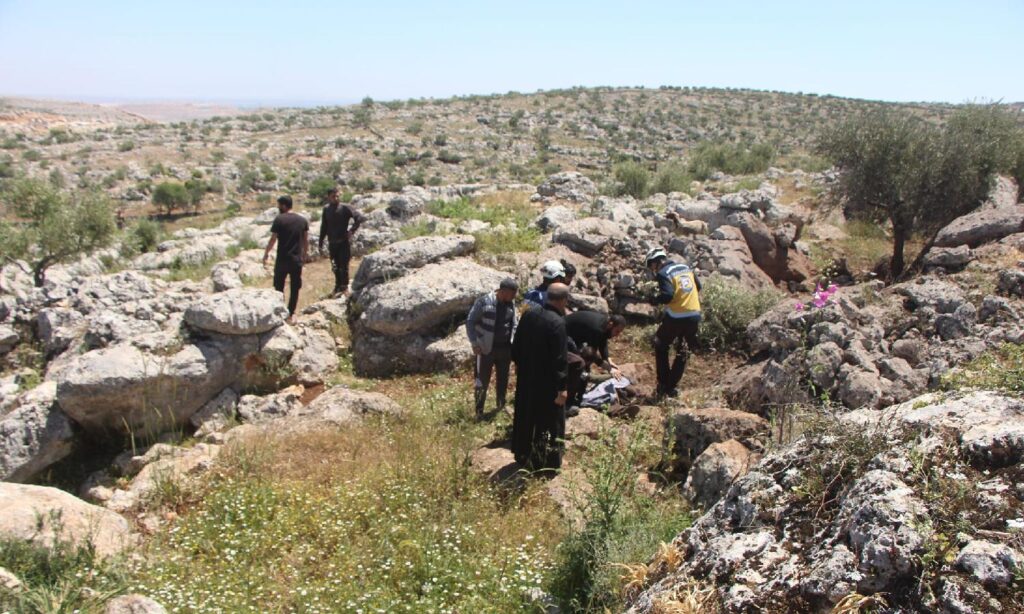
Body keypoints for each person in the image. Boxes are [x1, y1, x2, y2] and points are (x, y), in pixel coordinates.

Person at [511, 282, 570, 473]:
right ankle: (547, 463)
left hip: (527, 377)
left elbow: (516, 345)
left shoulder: (529, 314)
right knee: (550, 421)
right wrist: (562, 388)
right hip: (548, 382)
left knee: (525, 415)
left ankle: (522, 454)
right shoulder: (557, 323)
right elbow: (560, 359)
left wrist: (521, 366)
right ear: (563, 300)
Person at [644, 247, 702, 398]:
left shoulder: (664, 274)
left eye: (651, 266)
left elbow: (668, 296)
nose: (652, 270)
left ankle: (663, 384)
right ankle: (672, 387)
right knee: (683, 351)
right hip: (694, 315)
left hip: (676, 317)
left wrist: (655, 299)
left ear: (656, 262)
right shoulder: (685, 267)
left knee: (660, 344)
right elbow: (699, 287)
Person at [466, 278, 519, 420]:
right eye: (512, 294)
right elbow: (470, 321)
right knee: (482, 381)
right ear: (503, 291)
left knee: (503, 379)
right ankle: (479, 411)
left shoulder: (511, 304)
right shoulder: (484, 301)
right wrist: (474, 343)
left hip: (505, 350)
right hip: (485, 349)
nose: (514, 297)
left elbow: (513, 323)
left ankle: (500, 406)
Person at [263, 195, 309, 321]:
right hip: (296, 260)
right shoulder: (302, 220)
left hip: (282, 259)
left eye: (279, 205)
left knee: (278, 287)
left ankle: (280, 312)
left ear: (283, 205)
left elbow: (273, 239)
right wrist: (304, 255)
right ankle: (291, 313)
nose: (278, 208)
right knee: (295, 287)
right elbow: (305, 241)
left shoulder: (279, 219)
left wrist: (266, 253)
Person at [318, 187, 364, 296]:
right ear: (328, 197)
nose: (336, 198)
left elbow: (360, 218)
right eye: (333, 196)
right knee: (335, 266)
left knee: (344, 266)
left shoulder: (345, 208)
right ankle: (337, 286)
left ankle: (345, 287)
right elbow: (324, 226)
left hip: (343, 242)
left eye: (338, 196)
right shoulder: (326, 209)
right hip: (332, 242)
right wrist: (320, 241)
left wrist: (351, 231)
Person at [566, 311, 627, 379]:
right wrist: (609, 369)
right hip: (563, 334)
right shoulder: (596, 329)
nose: (617, 335)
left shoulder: (605, 322)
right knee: (579, 361)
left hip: (575, 334)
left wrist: (608, 359)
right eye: (617, 331)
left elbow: (603, 340)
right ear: (610, 324)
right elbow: (591, 354)